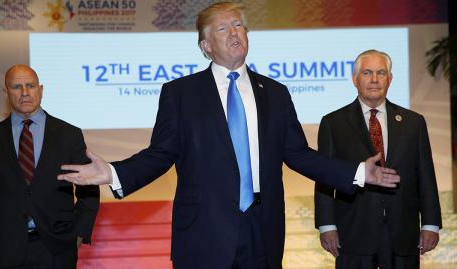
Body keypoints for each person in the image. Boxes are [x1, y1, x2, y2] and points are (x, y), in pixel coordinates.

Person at [57, 3, 399, 269]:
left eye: (239, 25)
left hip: (262, 229)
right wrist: (114, 173)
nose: (234, 32)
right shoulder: (181, 94)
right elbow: (161, 153)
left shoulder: (275, 93)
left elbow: (298, 154)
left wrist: (355, 172)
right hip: (204, 230)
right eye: (222, 28)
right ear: (206, 46)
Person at [314, 49, 442, 269]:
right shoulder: (333, 123)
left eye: (381, 73)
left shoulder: (414, 122)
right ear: (355, 79)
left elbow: (426, 176)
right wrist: (327, 225)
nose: (374, 79)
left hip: (403, 233)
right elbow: (326, 178)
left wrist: (430, 224)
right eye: (367, 73)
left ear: (390, 79)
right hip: (353, 232)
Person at [0, 65, 100, 269]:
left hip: (57, 249)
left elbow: (89, 189)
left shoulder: (69, 136)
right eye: (17, 87)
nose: (25, 93)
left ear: (40, 90)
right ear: (6, 93)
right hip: (3, 249)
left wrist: (79, 233)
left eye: (30, 86)